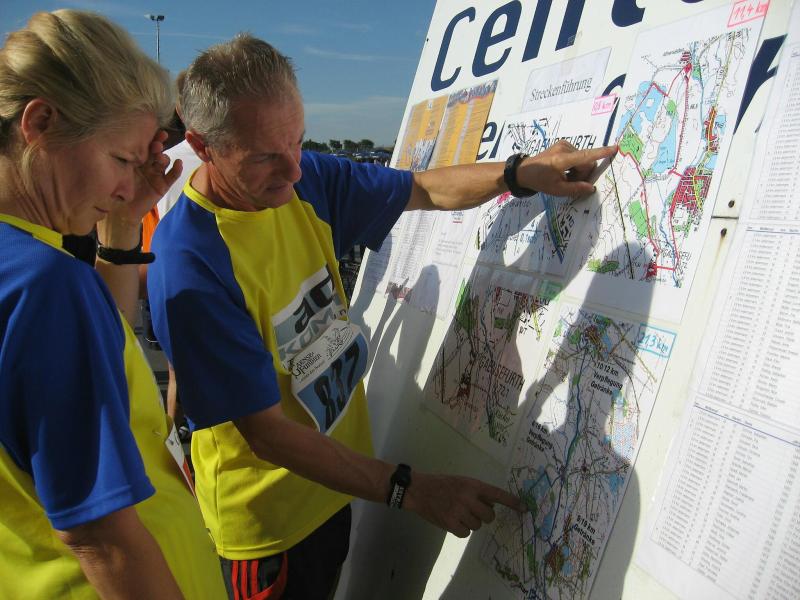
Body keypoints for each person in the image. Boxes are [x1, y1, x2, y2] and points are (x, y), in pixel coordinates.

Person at [148, 34, 617, 600]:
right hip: (271, 530)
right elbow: (267, 435)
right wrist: (409, 490)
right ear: (202, 146)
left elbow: (422, 189)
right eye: (265, 156)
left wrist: (520, 173)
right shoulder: (190, 265)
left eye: (297, 140)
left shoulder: (304, 180)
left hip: (336, 489)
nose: (293, 170)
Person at [0, 10, 227, 599]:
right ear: (40, 123)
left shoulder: (24, 271)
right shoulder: (47, 284)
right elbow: (101, 537)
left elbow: (93, 347)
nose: (130, 185)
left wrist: (123, 228)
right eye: (122, 160)